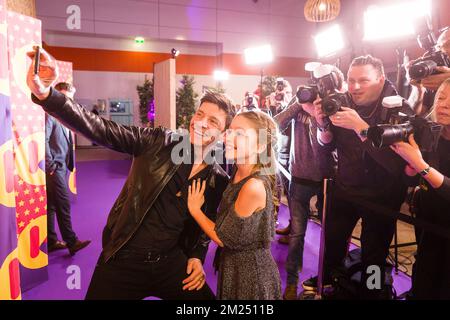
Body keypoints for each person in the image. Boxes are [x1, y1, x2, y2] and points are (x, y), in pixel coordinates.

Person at [26, 48, 234, 300]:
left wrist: (196, 257)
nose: (201, 122)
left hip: (170, 262)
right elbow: (101, 129)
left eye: (213, 121)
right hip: (123, 257)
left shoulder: (218, 179)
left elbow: (204, 225)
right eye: (199, 114)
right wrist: (47, 95)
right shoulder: (158, 141)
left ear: (223, 134)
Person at [306, 55, 411, 299]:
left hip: (382, 194)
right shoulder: (342, 102)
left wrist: (360, 127)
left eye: (363, 80)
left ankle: (372, 290)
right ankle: (330, 278)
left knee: (374, 253)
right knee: (332, 240)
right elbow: (326, 148)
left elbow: (396, 164)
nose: (354, 87)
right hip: (346, 187)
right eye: (351, 80)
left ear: (381, 79)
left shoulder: (397, 108)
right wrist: (322, 126)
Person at [187, 111, 282, 300]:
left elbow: (224, 239)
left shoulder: (253, 186)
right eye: (230, 131)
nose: (228, 137)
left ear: (260, 145)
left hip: (251, 275)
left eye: (240, 133)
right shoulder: (239, 170)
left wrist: (195, 209)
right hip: (234, 266)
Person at [274, 66, 339, 299]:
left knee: (331, 235)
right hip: (299, 177)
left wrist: (318, 115)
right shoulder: (300, 101)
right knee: (297, 235)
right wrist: (298, 105)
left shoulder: (333, 103)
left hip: (326, 179)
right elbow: (274, 124)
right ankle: (292, 282)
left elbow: (328, 144)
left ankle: (327, 280)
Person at [391, 79, 450, 299]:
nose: (444, 104)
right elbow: (411, 182)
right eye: (441, 97)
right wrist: (410, 168)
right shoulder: (429, 134)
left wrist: (421, 166)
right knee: (424, 280)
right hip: (428, 223)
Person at [45, 82, 91, 255]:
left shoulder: (62, 114)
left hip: (63, 167)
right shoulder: (50, 114)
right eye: (65, 96)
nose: (68, 101)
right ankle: (72, 243)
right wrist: (51, 165)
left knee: (51, 206)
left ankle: (50, 241)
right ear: (57, 94)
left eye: (70, 98)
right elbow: (43, 139)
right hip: (55, 168)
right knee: (63, 204)